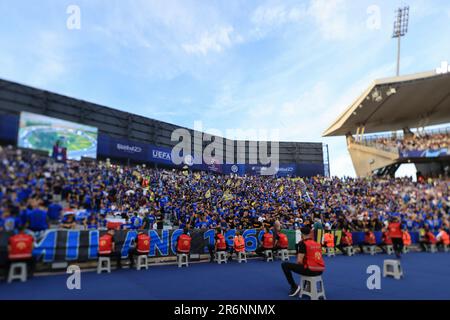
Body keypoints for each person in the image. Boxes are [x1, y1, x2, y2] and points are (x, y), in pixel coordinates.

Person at [281, 226, 325, 296]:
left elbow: (299, 261)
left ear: (301, 234)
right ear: (310, 233)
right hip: (320, 270)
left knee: (284, 265)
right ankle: (307, 286)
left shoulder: (303, 243)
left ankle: (294, 286)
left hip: (310, 270)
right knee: (305, 265)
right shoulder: (317, 243)